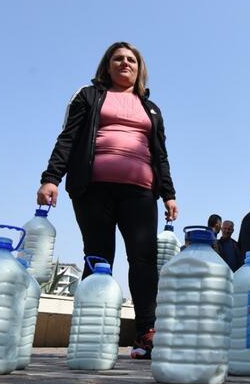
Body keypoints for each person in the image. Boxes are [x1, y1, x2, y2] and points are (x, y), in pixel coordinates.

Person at [37, 41, 178, 361]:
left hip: (141, 192)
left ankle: (146, 332)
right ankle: (92, 332)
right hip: (93, 188)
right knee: (98, 257)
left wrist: (169, 194)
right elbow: (68, 138)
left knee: (143, 260)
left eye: (131, 60)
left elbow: (161, 155)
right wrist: (51, 178)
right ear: (107, 65)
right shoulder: (89, 96)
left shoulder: (151, 109)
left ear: (140, 69)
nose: (125, 63)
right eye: (118, 58)